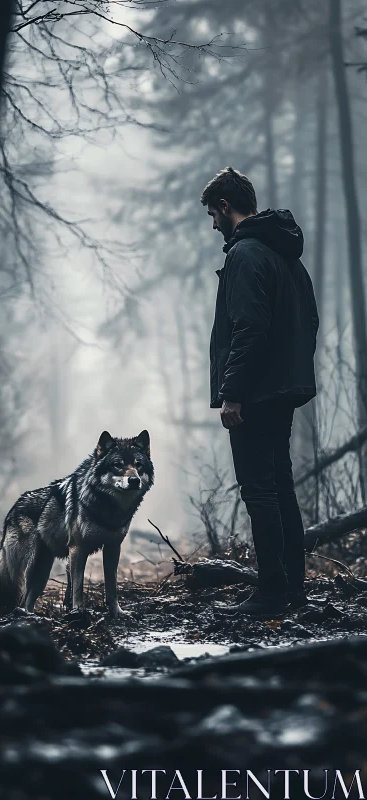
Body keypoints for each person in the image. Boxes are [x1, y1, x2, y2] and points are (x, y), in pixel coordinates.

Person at [201, 167, 319, 616]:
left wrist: (234, 393)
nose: (213, 224)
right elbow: (309, 322)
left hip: (255, 393)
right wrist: (288, 375)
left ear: (226, 207)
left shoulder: (247, 254)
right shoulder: (286, 254)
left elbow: (248, 328)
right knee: (281, 487)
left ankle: (271, 592)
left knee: (260, 491)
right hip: (283, 388)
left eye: (214, 214)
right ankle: (293, 590)